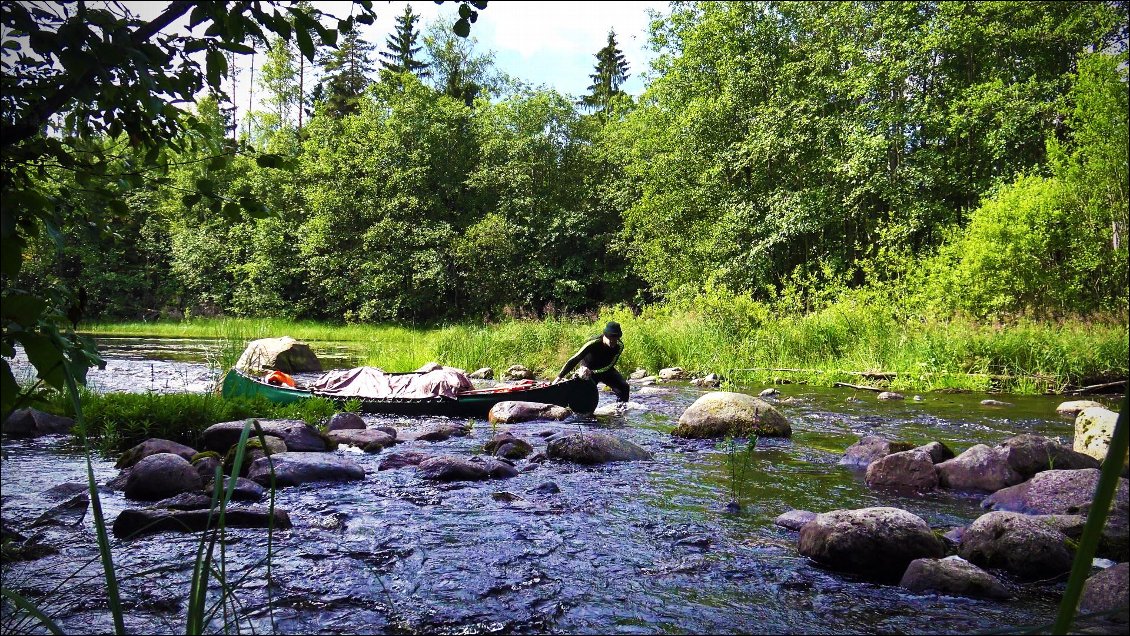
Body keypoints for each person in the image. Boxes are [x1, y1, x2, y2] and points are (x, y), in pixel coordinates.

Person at [555, 321, 629, 402]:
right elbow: (575, 359)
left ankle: (620, 410)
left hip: (606, 370)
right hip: (587, 371)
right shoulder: (592, 343)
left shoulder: (619, 346)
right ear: (605, 335)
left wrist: (593, 372)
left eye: (616, 339)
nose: (613, 342)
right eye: (610, 339)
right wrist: (559, 377)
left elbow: (611, 365)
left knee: (624, 387)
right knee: (585, 395)